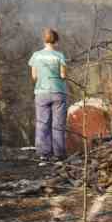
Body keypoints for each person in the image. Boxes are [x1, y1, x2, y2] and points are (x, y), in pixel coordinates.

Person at [29, 28, 68, 161]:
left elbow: (34, 76)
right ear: (56, 41)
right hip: (58, 91)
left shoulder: (36, 55)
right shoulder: (60, 56)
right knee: (58, 124)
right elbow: (63, 75)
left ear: (44, 40)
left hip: (41, 92)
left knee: (42, 122)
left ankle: (43, 153)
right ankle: (59, 154)